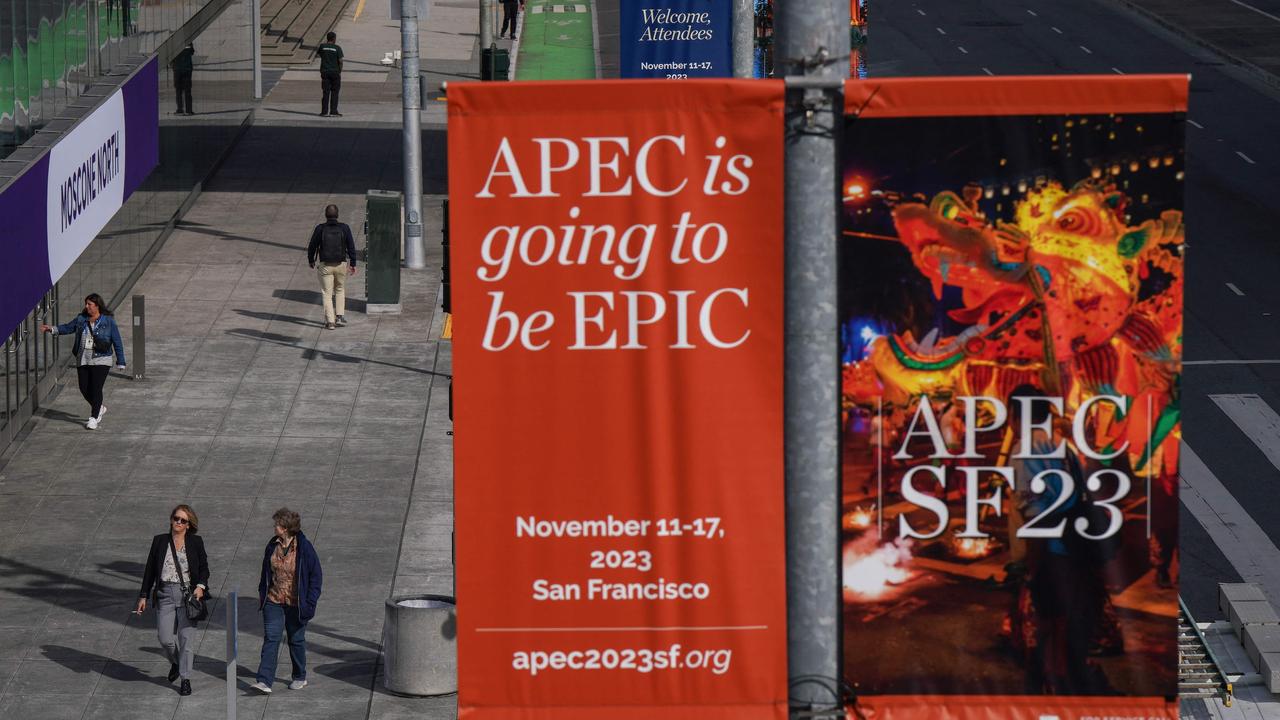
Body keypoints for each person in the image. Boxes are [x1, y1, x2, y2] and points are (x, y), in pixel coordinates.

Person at [1006, 384, 1107, 695]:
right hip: (1074, 548)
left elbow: (1035, 517)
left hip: (1049, 553)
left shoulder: (1024, 450)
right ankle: (1062, 681)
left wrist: (1031, 570)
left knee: (1048, 627)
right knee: (1063, 624)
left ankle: (1054, 689)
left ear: (1016, 414)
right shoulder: (1062, 444)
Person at [136, 505, 210, 697]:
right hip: (165, 594)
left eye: (183, 520)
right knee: (165, 638)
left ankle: (185, 679)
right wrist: (143, 595)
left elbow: (203, 568)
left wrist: (200, 587)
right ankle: (176, 662)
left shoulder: (195, 542)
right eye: (176, 518)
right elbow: (150, 570)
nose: (178, 522)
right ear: (171, 519)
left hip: (187, 596)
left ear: (188, 524)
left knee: (186, 640)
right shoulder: (160, 541)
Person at [250, 508, 323, 694]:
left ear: (285, 528)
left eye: (277, 524)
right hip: (273, 600)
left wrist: (310, 602)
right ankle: (264, 681)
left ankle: (299, 676)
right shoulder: (272, 544)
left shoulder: (304, 547)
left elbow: (316, 575)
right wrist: (262, 592)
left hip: (295, 603)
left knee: (296, 640)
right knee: (271, 638)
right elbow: (265, 570)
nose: (274, 527)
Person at [41, 293, 126, 429]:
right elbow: (68, 327)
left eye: (89, 304)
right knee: (84, 387)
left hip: (101, 359)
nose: (86, 307)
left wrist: (121, 361)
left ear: (97, 306)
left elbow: (117, 341)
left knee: (96, 387)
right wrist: (52, 329)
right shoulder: (81, 319)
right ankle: (99, 407)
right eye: (86, 304)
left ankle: (93, 417)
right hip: (83, 358)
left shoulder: (108, 321)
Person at [307, 204, 359, 329]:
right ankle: (340, 316)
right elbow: (351, 246)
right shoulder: (344, 228)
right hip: (341, 264)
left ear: (326, 215)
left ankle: (330, 322)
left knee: (327, 293)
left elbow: (312, 246)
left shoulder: (320, 229)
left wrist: (311, 260)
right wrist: (353, 263)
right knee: (340, 289)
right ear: (337, 215)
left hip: (325, 265)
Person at [317, 32, 343, 117]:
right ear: (334, 39)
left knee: (325, 92)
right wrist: (340, 70)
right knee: (335, 92)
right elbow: (340, 61)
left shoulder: (322, 47)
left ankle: (324, 112)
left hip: (325, 71)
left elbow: (320, 55)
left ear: (327, 38)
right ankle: (333, 111)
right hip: (335, 72)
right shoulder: (337, 48)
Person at [172, 43, 195, 115]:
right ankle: (189, 110)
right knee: (187, 90)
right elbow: (192, 52)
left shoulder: (174, 42)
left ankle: (180, 109)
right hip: (187, 68)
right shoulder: (189, 41)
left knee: (178, 90)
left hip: (177, 68)